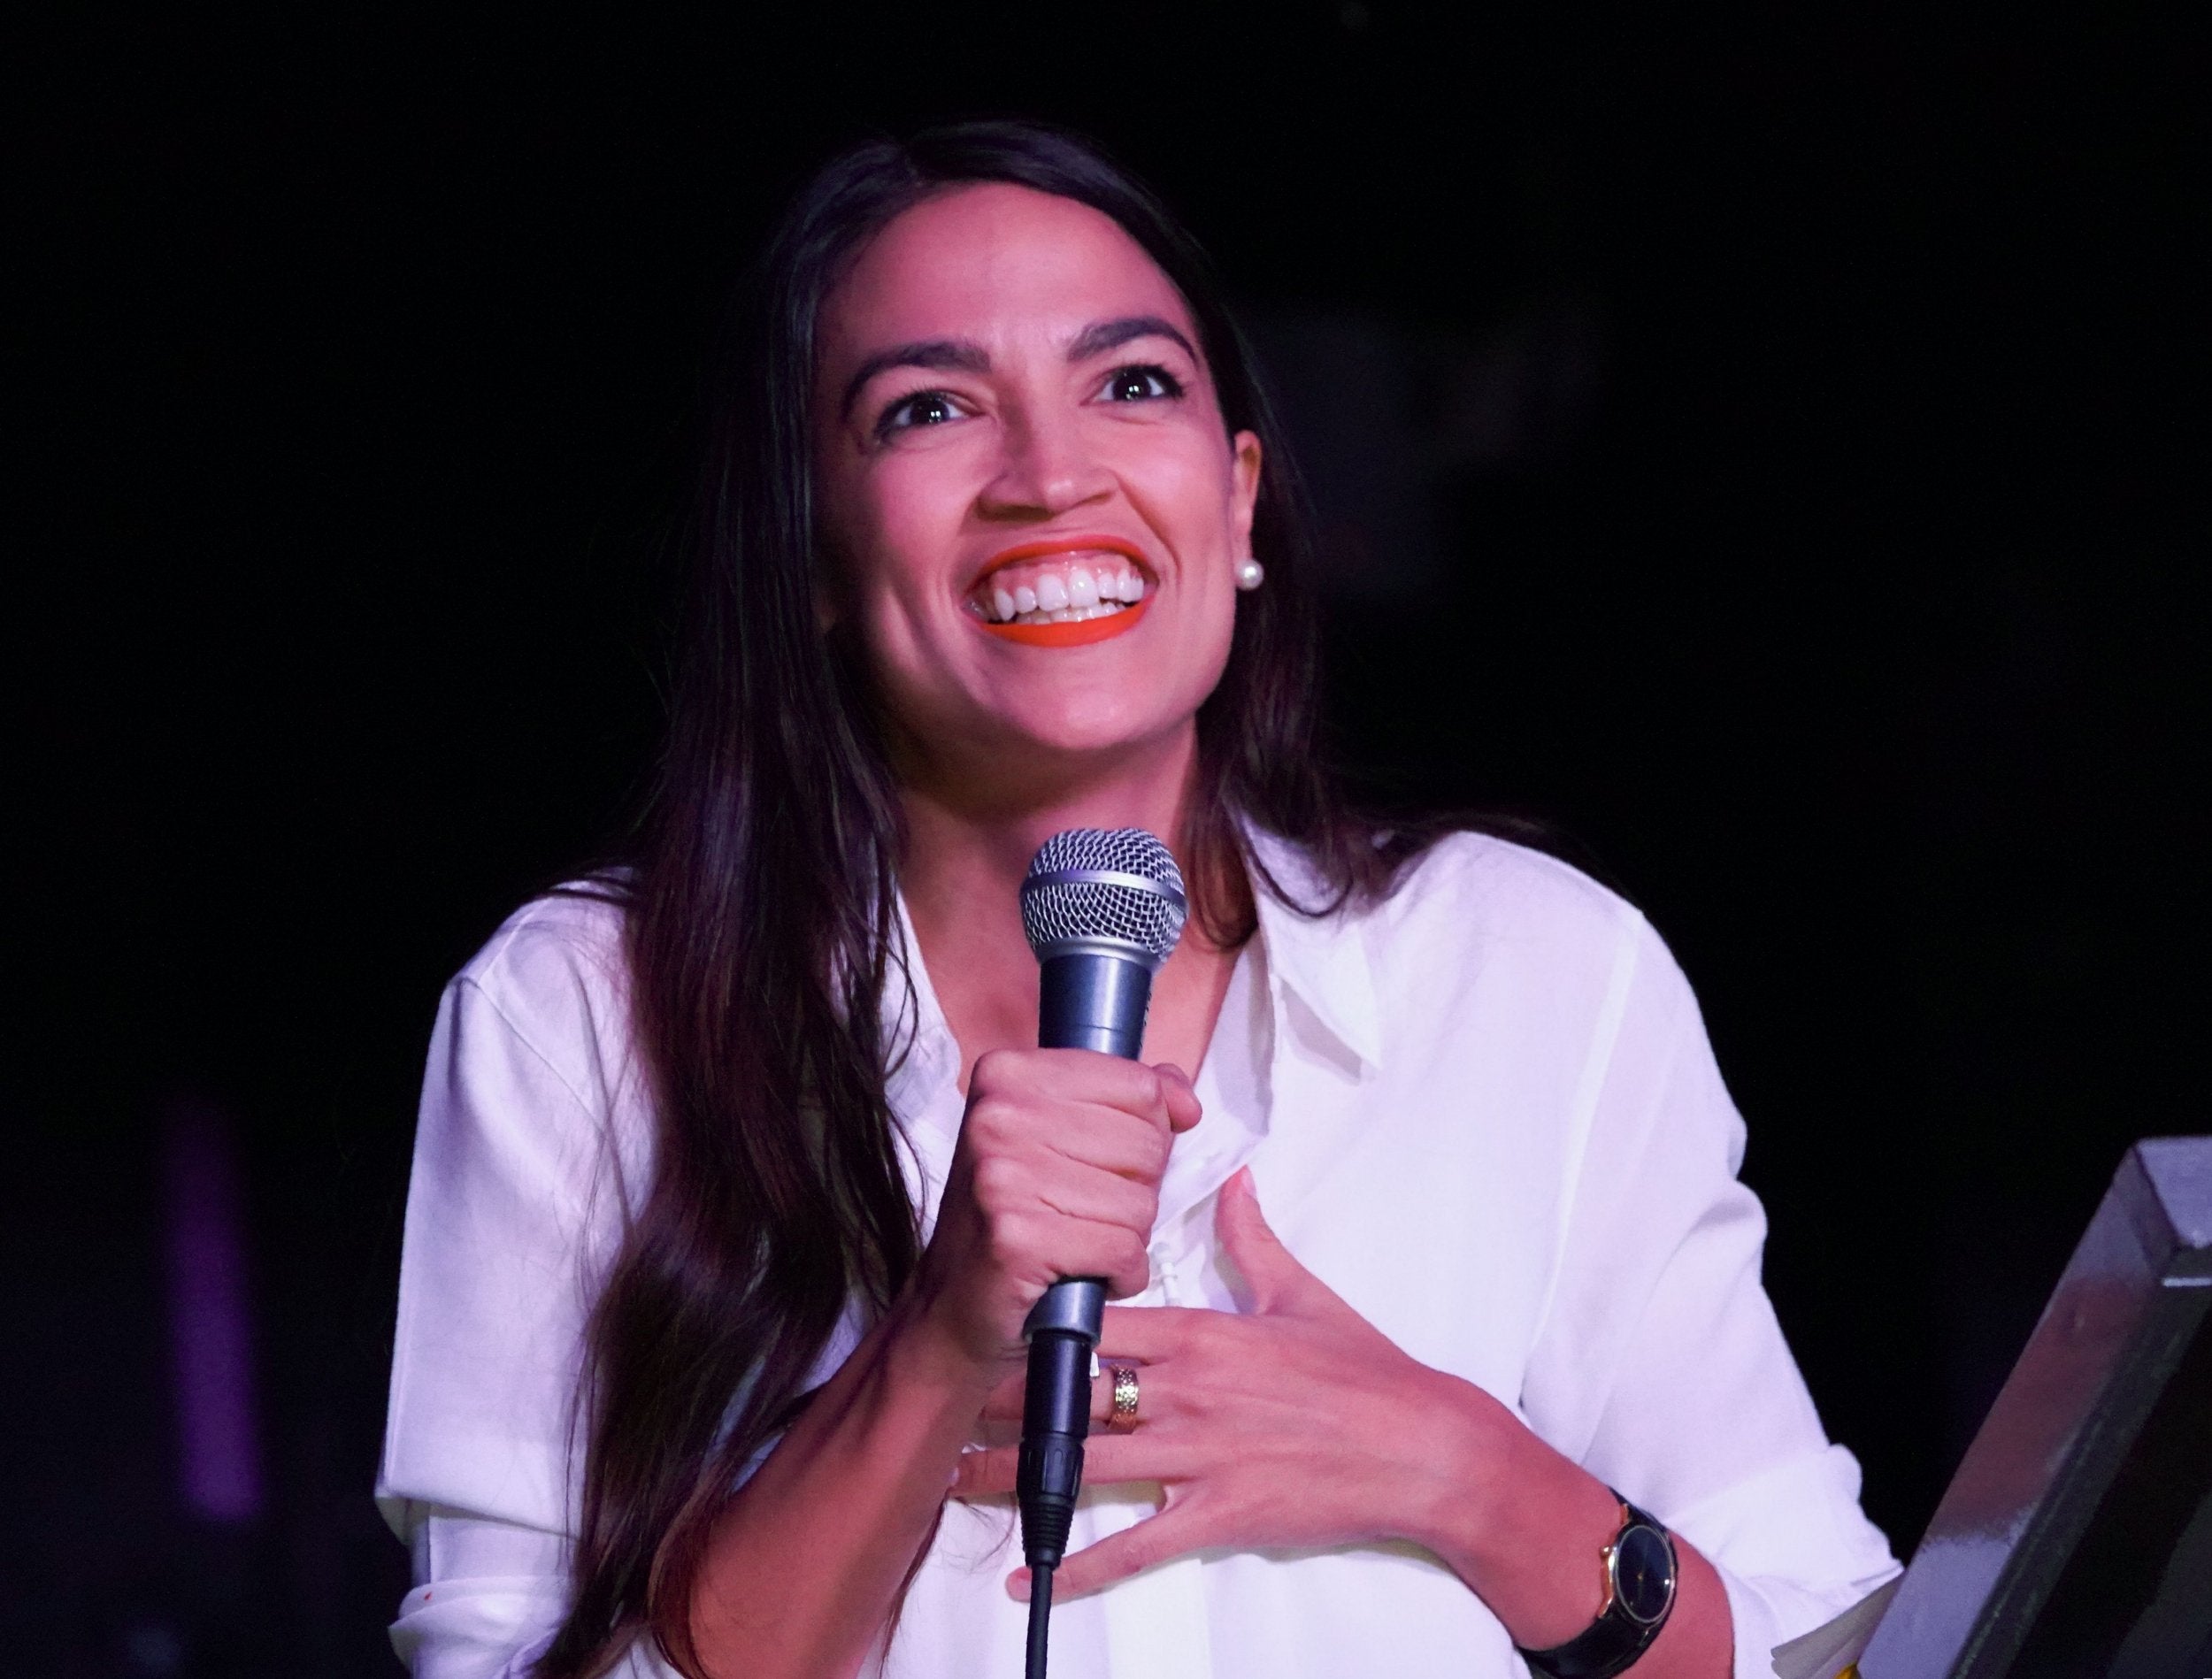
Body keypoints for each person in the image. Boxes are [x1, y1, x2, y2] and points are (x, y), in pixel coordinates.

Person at [375, 122, 1900, 1679]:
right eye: (929, 409)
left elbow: (1834, 1656)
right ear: (813, 552)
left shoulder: (1539, 975)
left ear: (1240, 503)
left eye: (1133, 383)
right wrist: (939, 1335)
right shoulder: (587, 1016)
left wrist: (1459, 1469)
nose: (1051, 476)